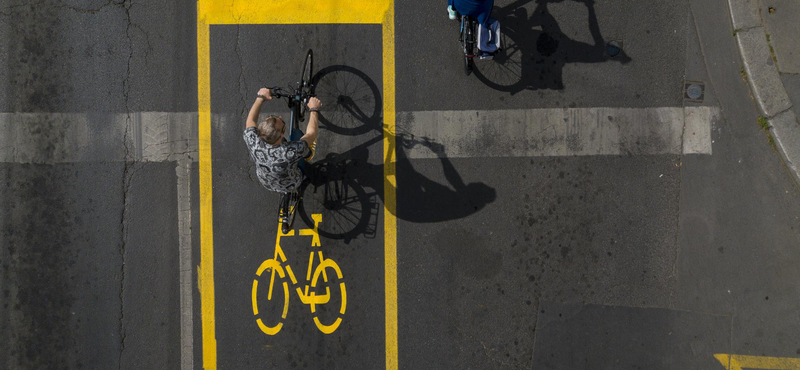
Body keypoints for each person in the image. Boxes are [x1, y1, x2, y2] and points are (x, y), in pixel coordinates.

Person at [243, 87, 321, 194]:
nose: (280, 117)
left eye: (273, 117)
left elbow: (250, 121)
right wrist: (314, 109)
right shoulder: (292, 151)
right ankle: (308, 155)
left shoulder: (252, 140)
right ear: (280, 136)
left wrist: (260, 97)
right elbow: (311, 134)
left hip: (267, 182)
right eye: (282, 125)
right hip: (292, 182)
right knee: (297, 133)